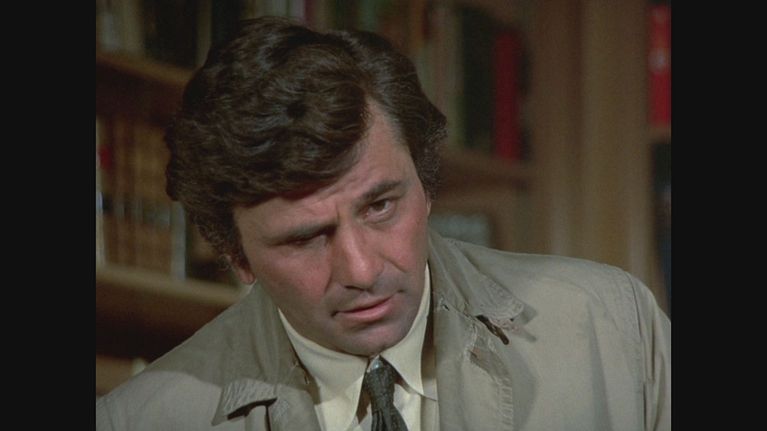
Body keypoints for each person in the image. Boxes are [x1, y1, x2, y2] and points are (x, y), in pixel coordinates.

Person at [96, 16, 670, 431]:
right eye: (305, 237)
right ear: (236, 255)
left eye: (380, 207)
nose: (362, 269)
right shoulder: (139, 420)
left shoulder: (615, 329)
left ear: (425, 184)